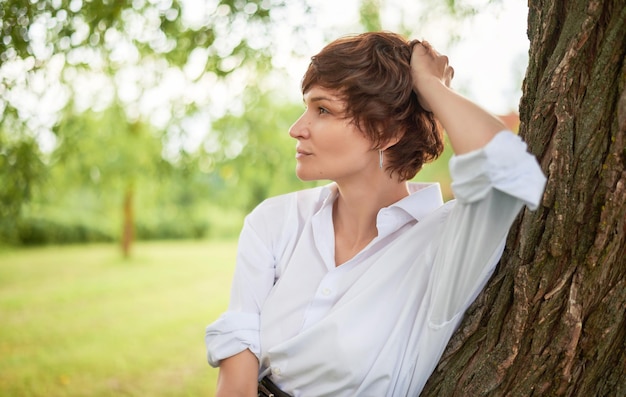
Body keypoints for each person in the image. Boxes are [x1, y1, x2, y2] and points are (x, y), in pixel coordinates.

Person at [205, 31, 546, 396]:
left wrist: (430, 86)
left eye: (322, 109)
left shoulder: (445, 243)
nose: (296, 129)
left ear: (385, 131)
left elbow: (510, 173)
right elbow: (239, 348)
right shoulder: (275, 220)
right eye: (306, 107)